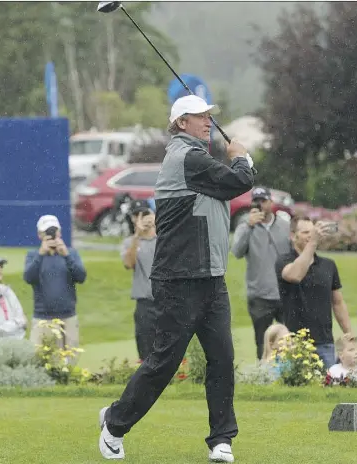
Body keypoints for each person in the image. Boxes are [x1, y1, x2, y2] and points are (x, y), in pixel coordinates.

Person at [98, 95, 254, 462]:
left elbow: (226, 187)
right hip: (179, 279)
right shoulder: (187, 157)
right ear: (181, 122)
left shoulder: (198, 160)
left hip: (211, 279)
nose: (208, 122)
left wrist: (234, 160)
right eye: (201, 117)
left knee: (221, 358)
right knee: (163, 363)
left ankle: (221, 440)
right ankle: (114, 426)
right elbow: (239, 181)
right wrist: (242, 156)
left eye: (210, 116)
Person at [275, 216, 353, 369]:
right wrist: (313, 243)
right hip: (294, 344)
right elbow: (295, 275)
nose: (310, 236)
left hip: (325, 342)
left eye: (313, 232)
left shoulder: (328, 265)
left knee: (328, 389)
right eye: (305, 232)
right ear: (292, 236)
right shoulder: (283, 261)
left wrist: (349, 334)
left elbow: (337, 302)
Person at [231, 186, 291, 360]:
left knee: (290, 339)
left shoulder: (285, 226)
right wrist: (249, 226)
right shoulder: (245, 226)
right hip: (259, 296)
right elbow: (236, 252)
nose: (260, 205)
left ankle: (289, 374)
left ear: (271, 203)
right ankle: (264, 378)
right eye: (256, 202)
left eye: (263, 201)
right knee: (262, 343)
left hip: (285, 294)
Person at [23, 215, 87, 351]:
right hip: (43, 317)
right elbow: (29, 278)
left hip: (68, 316)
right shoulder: (33, 255)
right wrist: (40, 255)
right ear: (40, 235)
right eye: (47, 232)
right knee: (40, 358)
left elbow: (81, 277)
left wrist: (66, 256)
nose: (52, 236)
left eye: (54, 232)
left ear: (60, 232)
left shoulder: (71, 254)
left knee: (70, 359)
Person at [120, 199, 158, 361]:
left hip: (166, 301)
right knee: (145, 350)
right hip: (144, 303)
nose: (139, 218)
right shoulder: (129, 242)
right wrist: (137, 236)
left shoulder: (162, 238)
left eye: (144, 214)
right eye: (136, 215)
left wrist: (155, 227)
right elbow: (129, 263)